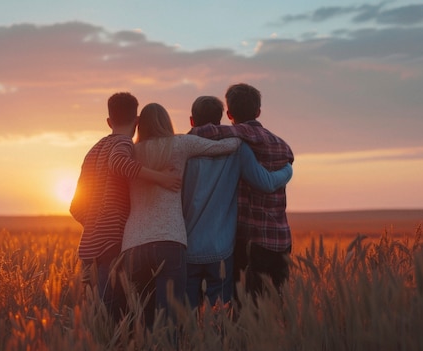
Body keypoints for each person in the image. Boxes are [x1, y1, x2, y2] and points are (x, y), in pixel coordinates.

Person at [121, 102, 240, 327]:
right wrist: (240, 129)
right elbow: (227, 146)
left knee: (142, 318)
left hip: (133, 244)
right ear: (167, 122)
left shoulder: (131, 152)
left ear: (140, 125)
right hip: (169, 241)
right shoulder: (180, 144)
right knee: (169, 319)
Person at [69, 92, 181, 320]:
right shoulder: (123, 143)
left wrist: (94, 222)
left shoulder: (93, 151)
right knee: (119, 313)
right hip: (114, 242)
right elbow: (119, 163)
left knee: (104, 313)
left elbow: (75, 206)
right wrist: (162, 178)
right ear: (137, 121)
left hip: (91, 244)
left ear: (109, 122)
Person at [182, 96, 293, 309]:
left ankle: (190, 343)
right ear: (222, 118)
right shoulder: (236, 148)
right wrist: (288, 170)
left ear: (191, 120)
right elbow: (265, 181)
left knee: (186, 315)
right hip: (222, 248)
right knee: (221, 316)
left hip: (188, 246)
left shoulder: (182, 148)